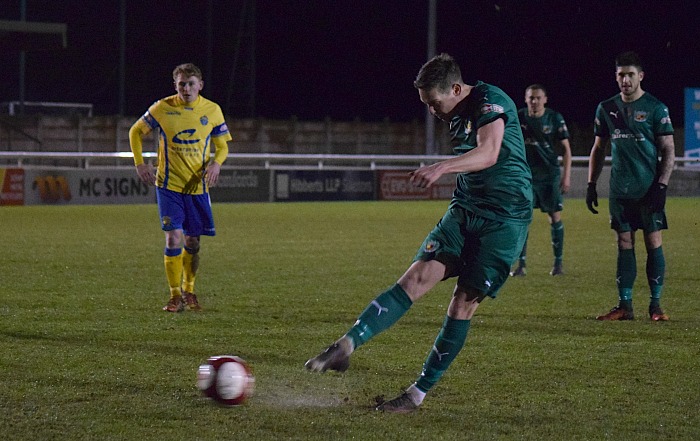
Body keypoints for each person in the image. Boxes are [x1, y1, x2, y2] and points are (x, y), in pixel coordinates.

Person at [304, 53, 532, 413]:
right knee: (416, 277)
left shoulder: (491, 101)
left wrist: (442, 167)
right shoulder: (454, 111)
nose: (432, 112)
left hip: (504, 219)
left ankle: (416, 395)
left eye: (435, 103)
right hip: (466, 208)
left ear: (456, 89)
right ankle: (346, 345)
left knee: (462, 302)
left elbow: (489, 153)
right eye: (426, 104)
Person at [129, 63, 231, 312]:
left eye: (191, 83)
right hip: (168, 184)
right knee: (173, 238)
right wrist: (140, 164)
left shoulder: (212, 110)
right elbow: (135, 131)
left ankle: (189, 290)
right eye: (181, 84)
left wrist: (216, 164)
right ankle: (174, 295)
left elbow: (223, 147)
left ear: (200, 85)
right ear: (175, 86)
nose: (186, 88)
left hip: (197, 188)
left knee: (193, 242)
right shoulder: (163, 108)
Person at [586, 51, 674, 321]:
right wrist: (591, 183)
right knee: (624, 243)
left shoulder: (656, 108)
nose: (625, 80)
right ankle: (625, 306)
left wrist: (661, 186)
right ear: (616, 77)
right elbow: (599, 148)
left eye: (630, 75)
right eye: (621, 75)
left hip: (648, 190)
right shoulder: (607, 108)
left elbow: (668, 149)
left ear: (641, 76)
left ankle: (655, 305)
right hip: (620, 191)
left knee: (653, 242)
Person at [510, 84, 572, 276]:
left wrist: (566, 176)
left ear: (545, 99)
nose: (534, 101)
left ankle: (558, 264)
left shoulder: (554, 118)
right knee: (522, 219)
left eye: (538, 98)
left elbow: (566, 149)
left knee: (554, 216)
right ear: (525, 99)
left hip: (549, 176)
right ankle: (521, 266)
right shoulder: (519, 117)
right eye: (531, 98)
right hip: (526, 177)